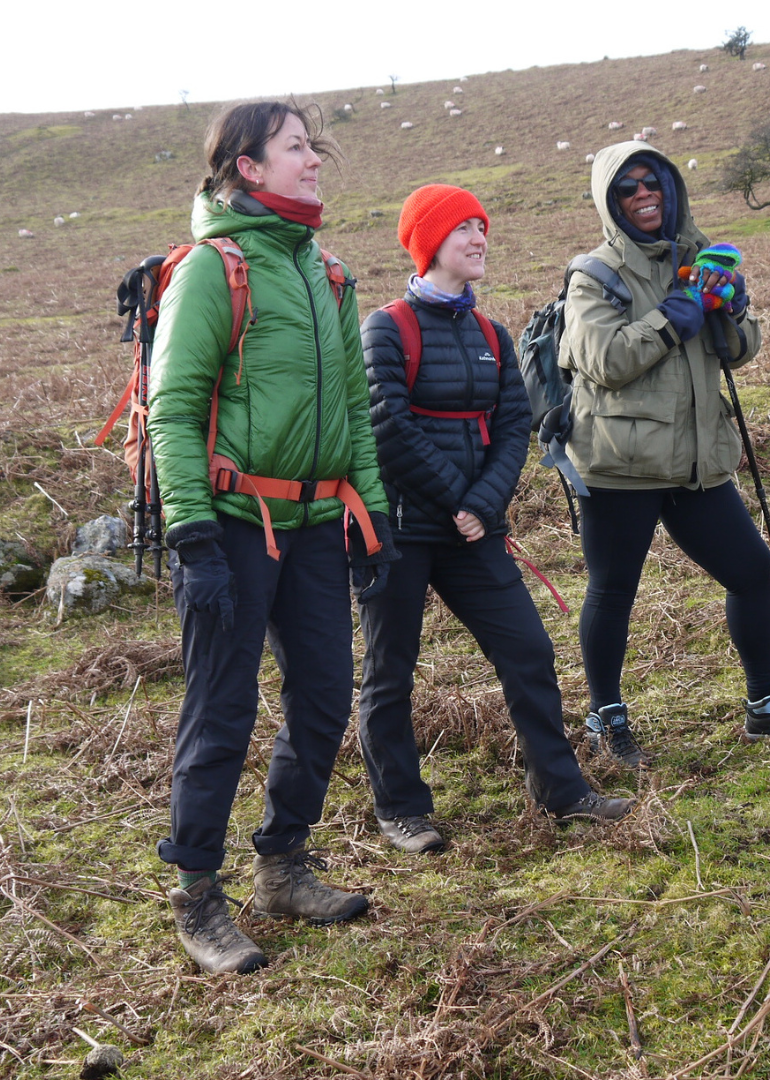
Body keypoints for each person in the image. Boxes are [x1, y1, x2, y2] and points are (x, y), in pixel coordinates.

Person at [147, 100, 397, 974]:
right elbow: (172, 409)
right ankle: (196, 898)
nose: (314, 159)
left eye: (313, 146)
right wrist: (192, 537)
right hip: (231, 525)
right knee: (222, 712)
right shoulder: (215, 270)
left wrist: (374, 511)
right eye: (297, 147)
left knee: (326, 698)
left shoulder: (328, 273)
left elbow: (357, 411)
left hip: (320, 523)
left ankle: (282, 865)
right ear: (247, 167)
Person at [357, 184, 633, 854]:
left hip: (472, 527)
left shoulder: (491, 333)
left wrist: (484, 504)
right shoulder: (385, 327)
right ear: (428, 244)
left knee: (529, 651)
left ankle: (560, 790)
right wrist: (460, 500)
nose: (479, 240)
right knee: (391, 669)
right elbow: (387, 424)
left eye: (482, 229)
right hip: (398, 529)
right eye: (463, 231)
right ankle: (402, 809)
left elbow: (515, 423)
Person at [557, 142, 770, 766]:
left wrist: (733, 312)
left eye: (653, 183)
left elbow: (738, 352)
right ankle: (606, 722)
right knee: (614, 592)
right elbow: (604, 360)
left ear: (671, 188)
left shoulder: (697, 257)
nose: (644, 195)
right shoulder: (596, 274)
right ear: (610, 201)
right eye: (628, 188)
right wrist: (673, 318)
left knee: (749, 569)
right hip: (620, 464)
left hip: (695, 460)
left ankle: (768, 707)